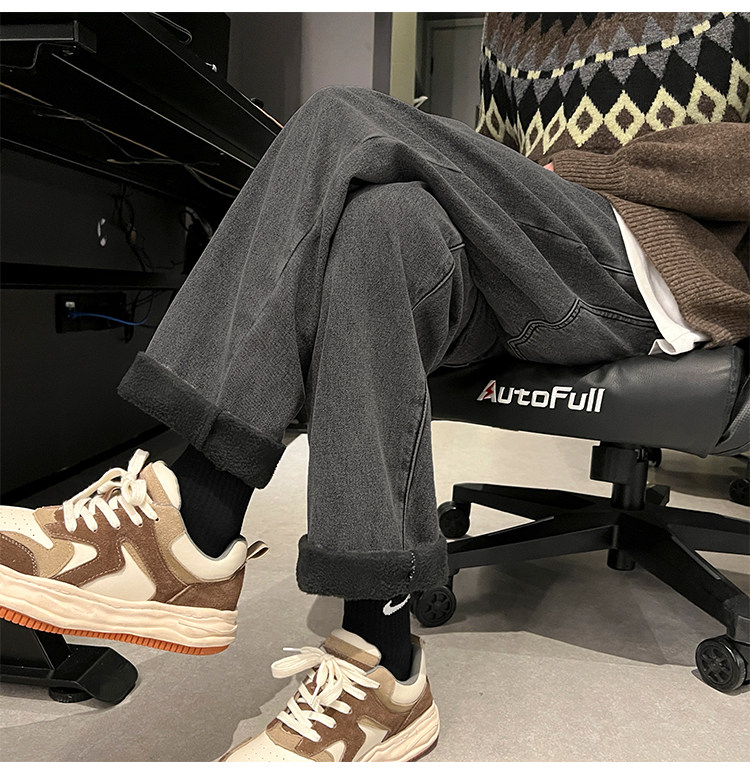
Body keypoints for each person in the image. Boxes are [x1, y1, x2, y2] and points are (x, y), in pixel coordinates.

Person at [0, 11, 747, 762]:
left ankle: (195, 515)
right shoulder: (514, 25)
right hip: (525, 256)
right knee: (383, 227)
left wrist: (582, 174)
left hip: (657, 262)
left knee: (342, 117)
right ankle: (384, 669)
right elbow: (502, 157)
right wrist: (511, 174)